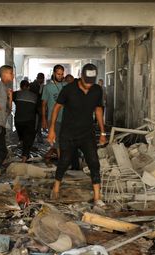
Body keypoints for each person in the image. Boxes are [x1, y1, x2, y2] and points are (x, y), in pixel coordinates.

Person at [47, 63, 107, 205]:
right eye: (86, 82)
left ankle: (97, 196)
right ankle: (56, 188)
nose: (88, 86)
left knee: (94, 162)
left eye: (91, 83)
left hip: (87, 133)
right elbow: (56, 108)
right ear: (81, 77)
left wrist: (103, 132)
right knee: (64, 162)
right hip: (68, 133)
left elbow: (98, 110)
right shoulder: (69, 89)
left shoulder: (97, 90)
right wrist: (51, 129)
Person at [42, 65, 67, 157]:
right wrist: (44, 119)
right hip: (53, 118)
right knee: (57, 143)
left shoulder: (66, 85)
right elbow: (44, 104)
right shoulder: (47, 87)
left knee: (65, 141)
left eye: (61, 74)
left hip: (66, 117)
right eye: (58, 74)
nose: (60, 76)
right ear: (54, 73)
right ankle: (61, 164)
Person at [14, 79, 39, 162]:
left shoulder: (16, 94)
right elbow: (38, 110)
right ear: (28, 87)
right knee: (28, 139)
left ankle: (21, 142)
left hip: (18, 121)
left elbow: (9, 96)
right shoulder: (35, 96)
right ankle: (24, 157)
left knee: (23, 138)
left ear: (20, 87)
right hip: (29, 121)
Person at [29, 73, 45, 140]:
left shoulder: (43, 86)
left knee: (38, 122)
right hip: (34, 106)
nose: (42, 80)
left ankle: (38, 135)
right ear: (37, 78)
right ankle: (35, 135)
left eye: (42, 79)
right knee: (34, 122)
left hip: (39, 106)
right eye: (41, 78)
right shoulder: (32, 85)